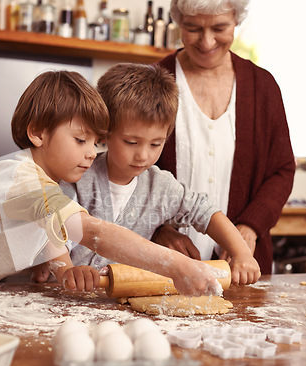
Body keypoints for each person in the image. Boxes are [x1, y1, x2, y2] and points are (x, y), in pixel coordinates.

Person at [0, 70, 221, 296]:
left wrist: (62, 269)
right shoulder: (20, 179)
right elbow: (92, 232)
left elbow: (52, 227)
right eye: (80, 139)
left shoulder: (47, 187)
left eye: (96, 142)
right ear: (38, 133)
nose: (90, 153)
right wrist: (177, 266)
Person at [52, 63, 259, 285]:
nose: (142, 155)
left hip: (126, 305)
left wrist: (242, 253)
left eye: (155, 144)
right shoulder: (77, 178)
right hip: (71, 300)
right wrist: (67, 269)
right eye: (131, 142)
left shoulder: (161, 187)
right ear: (105, 132)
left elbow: (206, 213)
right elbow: (53, 231)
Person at [152, 0, 295, 276]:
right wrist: (158, 229)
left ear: (236, 21)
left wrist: (250, 227)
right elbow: (124, 172)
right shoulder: (151, 82)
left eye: (219, 27)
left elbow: (282, 169)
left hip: (241, 269)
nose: (206, 42)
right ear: (179, 22)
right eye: (193, 28)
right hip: (162, 268)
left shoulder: (263, 87)